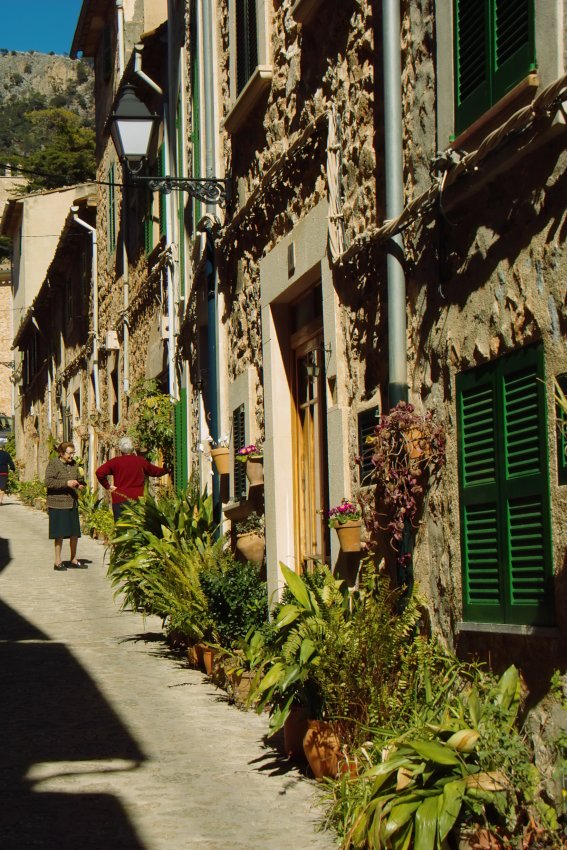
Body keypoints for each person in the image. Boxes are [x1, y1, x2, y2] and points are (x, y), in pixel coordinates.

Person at [96, 436, 168, 521]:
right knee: (137, 527)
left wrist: (107, 486)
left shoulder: (115, 462)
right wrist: (166, 470)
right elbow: (155, 471)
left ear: (120, 449)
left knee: (121, 527)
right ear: (132, 448)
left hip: (120, 498)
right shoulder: (140, 461)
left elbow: (99, 472)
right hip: (137, 499)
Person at [45, 442, 85, 571]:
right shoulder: (53, 463)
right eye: (70, 453)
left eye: (73, 453)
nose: (72, 456)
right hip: (58, 503)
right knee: (59, 533)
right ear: (61, 453)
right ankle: (57, 561)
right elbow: (48, 482)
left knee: (74, 533)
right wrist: (66, 483)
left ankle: (73, 559)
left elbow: (79, 478)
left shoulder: (74, 464)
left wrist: (79, 485)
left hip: (72, 502)